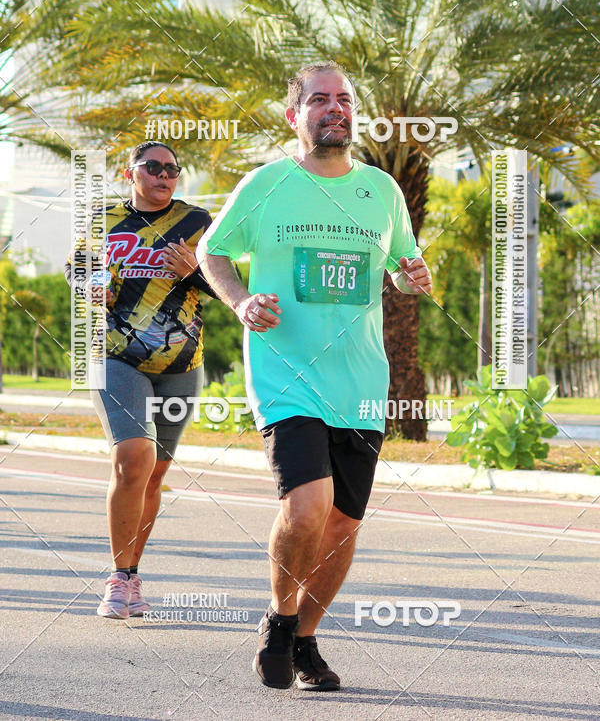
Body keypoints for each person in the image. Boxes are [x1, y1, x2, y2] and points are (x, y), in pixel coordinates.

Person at [197, 62, 432, 691]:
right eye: (320, 99)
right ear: (294, 115)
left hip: (360, 382)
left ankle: (305, 641)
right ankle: (278, 622)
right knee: (307, 509)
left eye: (345, 100)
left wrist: (413, 274)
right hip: (285, 372)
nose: (336, 108)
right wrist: (242, 301)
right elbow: (211, 250)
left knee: (342, 526)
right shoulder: (266, 184)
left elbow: (402, 260)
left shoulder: (382, 190)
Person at [65, 141, 215, 620]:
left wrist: (196, 273)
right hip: (115, 357)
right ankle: (117, 578)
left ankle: (133, 572)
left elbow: (226, 287)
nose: (165, 175)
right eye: (154, 167)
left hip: (181, 364)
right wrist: (89, 284)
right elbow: (77, 269)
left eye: (173, 169)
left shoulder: (198, 223)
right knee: (134, 457)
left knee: (154, 475)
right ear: (130, 172)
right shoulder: (102, 217)